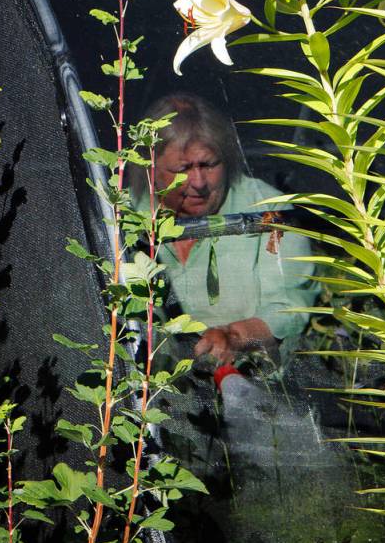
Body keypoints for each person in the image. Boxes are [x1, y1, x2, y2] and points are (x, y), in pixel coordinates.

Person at [131, 93, 318, 366]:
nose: (198, 182)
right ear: (151, 168)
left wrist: (234, 337)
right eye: (182, 168)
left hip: (253, 383)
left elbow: (290, 307)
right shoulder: (122, 218)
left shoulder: (270, 210)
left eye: (208, 165)